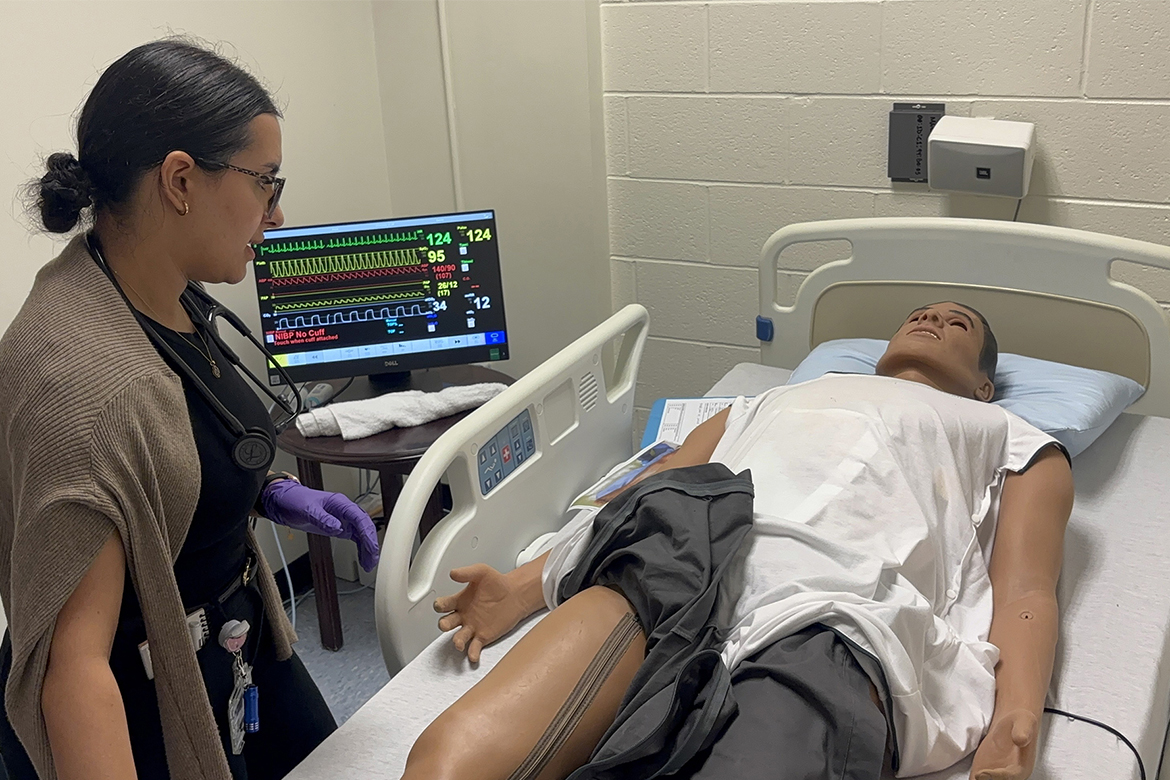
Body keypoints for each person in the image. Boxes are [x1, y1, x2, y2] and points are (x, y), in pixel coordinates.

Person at [409, 302, 1074, 780]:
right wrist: (527, 583)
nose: (932, 319)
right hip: (677, 558)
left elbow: (1025, 586)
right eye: (918, 315)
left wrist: (1017, 718)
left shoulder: (1008, 435)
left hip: (837, 606)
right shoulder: (771, 399)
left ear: (985, 385)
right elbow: (663, 480)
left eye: (958, 323)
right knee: (449, 758)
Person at [0, 40, 380, 780]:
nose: (276, 214)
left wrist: (267, 492)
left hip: (231, 641)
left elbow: (175, 444)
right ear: (180, 180)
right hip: (145, 692)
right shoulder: (86, 386)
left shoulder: (148, 285)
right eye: (265, 184)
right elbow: (75, 672)